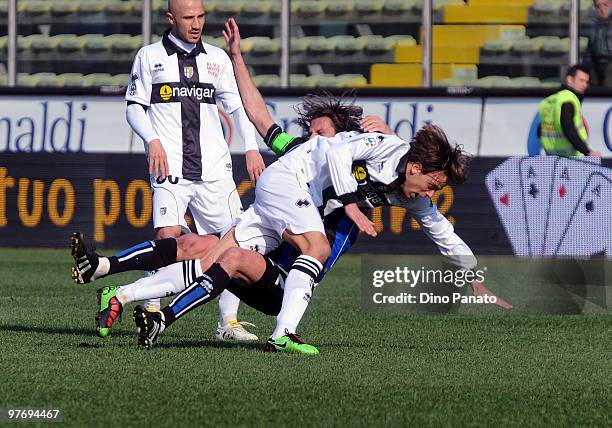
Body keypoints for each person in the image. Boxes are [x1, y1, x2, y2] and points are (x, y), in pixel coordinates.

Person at [128, 18, 488, 353]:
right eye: (313, 132)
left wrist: (472, 276)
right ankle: (281, 335)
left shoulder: (386, 162)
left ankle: (131, 298)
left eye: (322, 130)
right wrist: (350, 202)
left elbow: (443, 231)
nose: (314, 137)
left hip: (284, 238)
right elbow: (264, 118)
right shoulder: (312, 151)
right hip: (285, 197)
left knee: (211, 252)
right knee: (310, 246)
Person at [83, 0, 266, 340]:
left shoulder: (217, 59)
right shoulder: (150, 56)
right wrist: (152, 140)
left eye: (200, 16)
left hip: (215, 173)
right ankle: (150, 308)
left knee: (234, 245)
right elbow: (135, 109)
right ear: (171, 18)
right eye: (188, 18)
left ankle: (227, 323)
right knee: (168, 238)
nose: (196, 24)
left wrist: (252, 148)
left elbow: (238, 108)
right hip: (171, 170)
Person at [538, 65, 601, 157]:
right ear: (569, 80)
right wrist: (587, 152)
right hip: (572, 160)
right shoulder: (568, 99)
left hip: (552, 160)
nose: (585, 85)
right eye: (581, 80)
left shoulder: (548, 101)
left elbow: (540, 130)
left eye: (586, 82)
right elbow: (569, 129)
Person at [584, 0, 612, 87]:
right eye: (598, 6)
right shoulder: (595, 27)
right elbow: (589, 53)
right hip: (597, 65)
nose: (602, 9)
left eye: (605, 5)